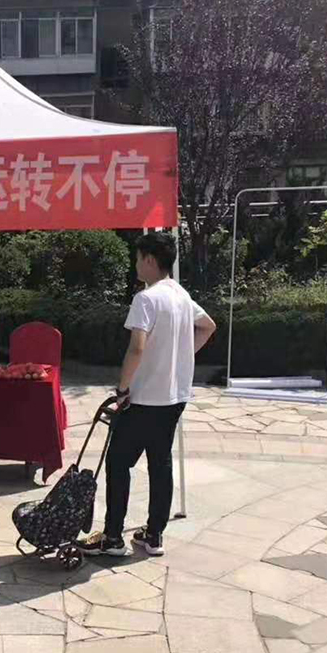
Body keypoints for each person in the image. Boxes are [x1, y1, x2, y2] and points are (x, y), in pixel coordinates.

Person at [81, 232, 216, 558]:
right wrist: (181, 358)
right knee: (160, 462)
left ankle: (113, 537)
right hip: (175, 397)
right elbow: (209, 326)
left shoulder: (146, 299)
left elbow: (137, 348)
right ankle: (154, 535)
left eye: (138, 258)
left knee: (118, 462)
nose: (136, 265)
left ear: (150, 260)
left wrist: (122, 389)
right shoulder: (181, 295)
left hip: (144, 399)